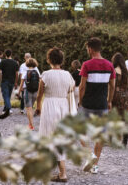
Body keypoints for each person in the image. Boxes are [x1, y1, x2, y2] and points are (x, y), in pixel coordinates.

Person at [35, 47, 75, 183]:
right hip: (63, 105)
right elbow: (72, 89)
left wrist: (38, 107)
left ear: (49, 59)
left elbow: (40, 94)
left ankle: (58, 172)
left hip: (50, 106)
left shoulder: (45, 74)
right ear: (62, 60)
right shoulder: (68, 75)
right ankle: (59, 171)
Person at [79, 37, 115, 174]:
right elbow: (112, 86)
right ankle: (95, 166)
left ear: (90, 49)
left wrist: (80, 101)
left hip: (88, 104)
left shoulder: (87, 64)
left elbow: (82, 86)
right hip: (102, 105)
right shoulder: (109, 65)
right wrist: (110, 101)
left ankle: (90, 155)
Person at [111, 52, 128, 147]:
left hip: (115, 95)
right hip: (125, 96)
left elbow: (111, 85)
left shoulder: (113, 70)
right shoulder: (127, 71)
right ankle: (124, 141)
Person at [19, 58, 40, 130]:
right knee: (31, 107)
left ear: (27, 64)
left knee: (28, 108)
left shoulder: (25, 72)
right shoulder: (37, 72)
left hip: (27, 91)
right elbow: (40, 82)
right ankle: (30, 124)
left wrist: (18, 92)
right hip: (35, 91)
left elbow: (21, 84)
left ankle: (31, 125)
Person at [0, 49, 19, 114]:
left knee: (5, 95)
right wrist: (16, 82)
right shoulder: (15, 62)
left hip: (4, 80)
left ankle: (8, 108)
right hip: (12, 81)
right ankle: (5, 109)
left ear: (5, 54)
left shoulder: (3, 62)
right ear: (11, 54)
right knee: (8, 95)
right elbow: (16, 74)